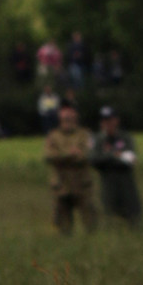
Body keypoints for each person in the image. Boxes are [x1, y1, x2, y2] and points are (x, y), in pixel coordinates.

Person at [44, 99, 97, 234]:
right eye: (64, 111)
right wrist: (70, 154)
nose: (67, 114)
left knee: (91, 224)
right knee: (63, 228)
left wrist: (65, 157)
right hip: (61, 186)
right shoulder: (53, 136)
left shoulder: (85, 134)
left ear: (76, 114)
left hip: (82, 184)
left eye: (70, 111)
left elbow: (90, 154)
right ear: (59, 114)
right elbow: (49, 156)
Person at [91, 107, 143, 228]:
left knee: (135, 219)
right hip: (108, 185)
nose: (107, 123)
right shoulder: (98, 140)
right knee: (111, 219)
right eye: (104, 121)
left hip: (127, 185)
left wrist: (108, 156)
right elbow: (94, 160)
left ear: (116, 120)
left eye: (110, 120)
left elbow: (131, 159)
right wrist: (115, 155)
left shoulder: (126, 137)